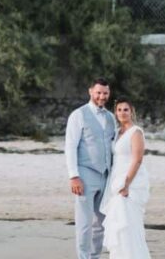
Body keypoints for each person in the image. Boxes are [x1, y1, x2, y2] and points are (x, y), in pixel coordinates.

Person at [65, 77, 116, 259]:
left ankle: (95, 257)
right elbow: (70, 146)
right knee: (84, 223)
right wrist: (74, 176)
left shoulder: (111, 118)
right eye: (99, 92)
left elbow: (113, 146)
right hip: (85, 174)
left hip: (106, 176)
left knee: (101, 223)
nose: (102, 96)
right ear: (90, 92)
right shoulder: (78, 115)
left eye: (105, 93)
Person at [100, 98, 151, 259]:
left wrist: (126, 183)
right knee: (117, 224)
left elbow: (137, 159)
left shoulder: (136, 132)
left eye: (126, 109)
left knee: (128, 224)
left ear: (131, 112)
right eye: (119, 110)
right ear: (115, 112)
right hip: (115, 181)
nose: (122, 113)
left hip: (130, 181)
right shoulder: (116, 133)